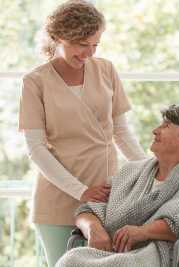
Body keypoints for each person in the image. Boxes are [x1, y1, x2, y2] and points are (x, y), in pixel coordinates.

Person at [18, 1, 146, 266]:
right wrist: (81, 191)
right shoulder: (35, 82)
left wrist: (151, 171)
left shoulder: (106, 70)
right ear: (57, 38)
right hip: (58, 198)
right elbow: (36, 149)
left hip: (106, 196)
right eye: (81, 44)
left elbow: (122, 132)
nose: (89, 53)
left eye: (95, 45)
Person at [55, 104, 179, 267]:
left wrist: (146, 231)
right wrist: (93, 228)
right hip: (125, 252)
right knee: (71, 260)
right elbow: (88, 210)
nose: (155, 130)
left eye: (166, 126)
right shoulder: (132, 172)